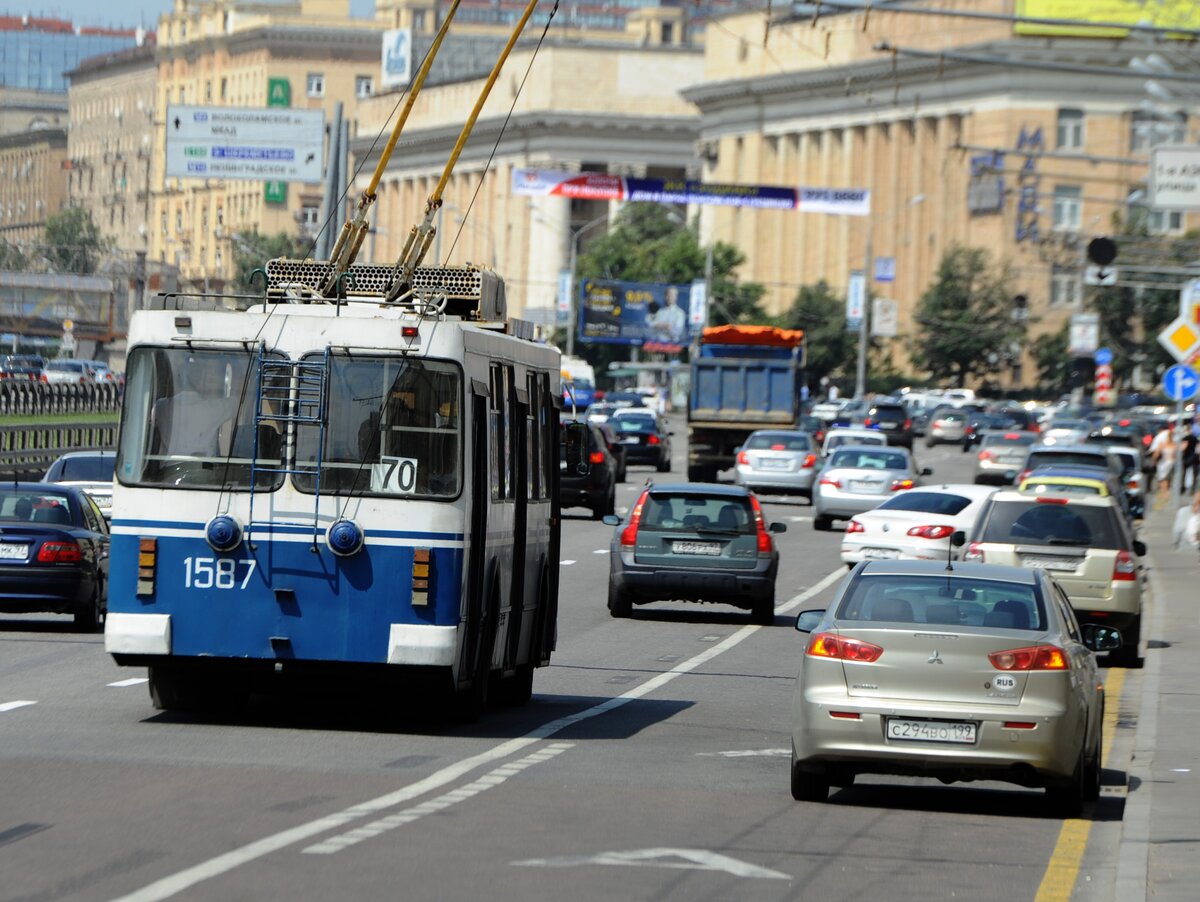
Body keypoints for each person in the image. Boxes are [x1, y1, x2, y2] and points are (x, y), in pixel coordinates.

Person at [1149, 420, 1178, 499]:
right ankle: (1167, 491)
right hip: (1171, 462)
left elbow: (1156, 453)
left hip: (1164, 463)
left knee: (1162, 479)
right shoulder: (1173, 444)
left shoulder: (1162, 443)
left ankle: (1164, 493)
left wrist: (1153, 461)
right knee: (1167, 478)